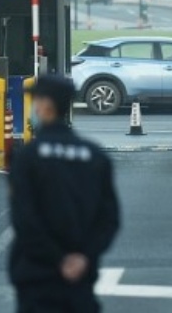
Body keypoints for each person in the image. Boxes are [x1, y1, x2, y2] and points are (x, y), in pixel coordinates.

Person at [8, 75, 121, 313]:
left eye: (36, 100)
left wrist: (57, 258)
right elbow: (109, 219)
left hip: (37, 276)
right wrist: (82, 257)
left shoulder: (27, 157)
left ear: (46, 106)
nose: (34, 107)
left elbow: (24, 219)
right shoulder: (96, 157)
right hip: (80, 279)